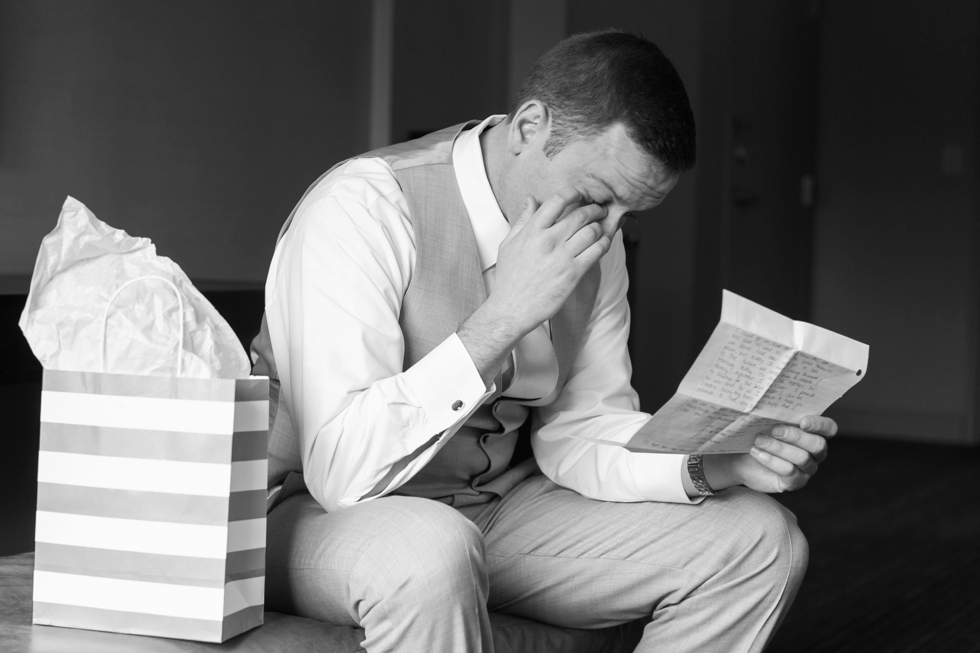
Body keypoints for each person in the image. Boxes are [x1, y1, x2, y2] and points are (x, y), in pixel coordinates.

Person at [249, 29, 837, 653]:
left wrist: (718, 463)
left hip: (492, 509)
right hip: (311, 513)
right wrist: (504, 317)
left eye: (629, 215)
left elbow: (581, 431)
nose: (610, 233)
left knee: (760, 539)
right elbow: (342, 471)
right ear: (530, 127)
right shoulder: (365, 206)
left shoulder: (597, 244)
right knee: (428, 550)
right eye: (597, 198)